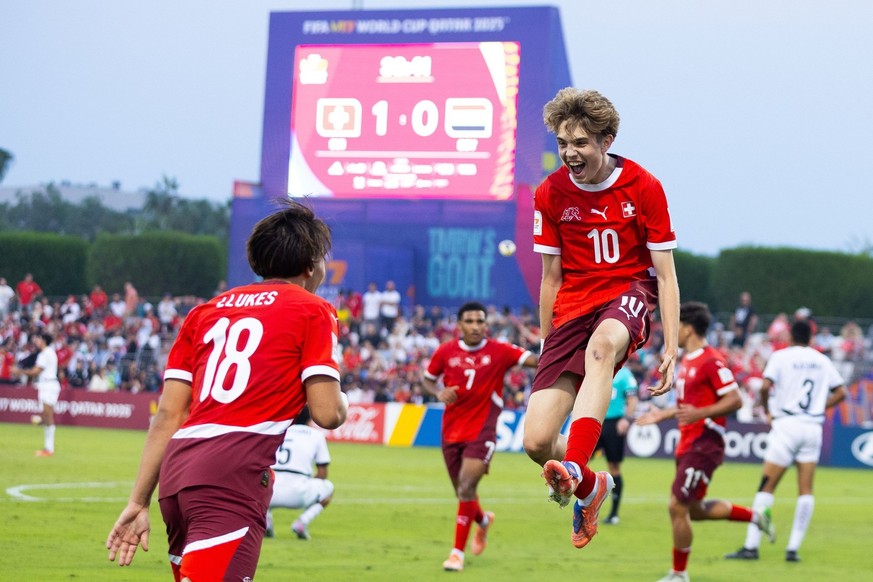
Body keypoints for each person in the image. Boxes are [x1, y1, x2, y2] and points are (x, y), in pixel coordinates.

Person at [106, 201, 348, 581]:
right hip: (232, 476)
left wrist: (138, 501)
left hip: (177, 477)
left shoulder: (205, 312)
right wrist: (341, 394)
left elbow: (168, 416)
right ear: (311, 263)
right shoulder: (314, 309)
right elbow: (328, 413)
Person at [521, 87, 680, 550]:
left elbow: (667, 277)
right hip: (572, 308)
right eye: (563, 144)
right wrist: (547, 340)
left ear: (606, 140)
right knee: (534, 442)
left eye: (581, 143)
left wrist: (670, 348)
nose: (570, 153)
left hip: (627, 295)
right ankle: (591, 487)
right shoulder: (549, 193)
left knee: (602, 348)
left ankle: (573, 468)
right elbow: (551, 277)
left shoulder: (644, 185)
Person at [635, 302, 774, 582]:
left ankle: (679, 574)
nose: (672, 332)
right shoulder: (687, 359)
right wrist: (665, 413)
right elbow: (691, 404)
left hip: (704, 443)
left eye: (676, 327)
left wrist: (700, 414)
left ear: (687, 328)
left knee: (677, 506)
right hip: (688, 442)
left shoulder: (711, 359)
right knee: (694, 511)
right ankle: (756, 516)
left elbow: (734, 399)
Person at [422, 301, 538, 572]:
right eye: (470, 321)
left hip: (482, 430)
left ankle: (456, 555)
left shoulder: (499, 351)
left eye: (480, 321)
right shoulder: (445, 351)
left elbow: (534, 360)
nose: (476, 326)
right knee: (462, 491)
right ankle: (483, 521)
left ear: (486, 325)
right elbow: (427, 379)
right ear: (459, 325)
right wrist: (437, 392)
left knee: (465, 487)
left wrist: (553, 341)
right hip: (451, 429)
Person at [725, 319, 846, 564]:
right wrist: (819, 408)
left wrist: (769, 410)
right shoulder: (822, 360)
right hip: (812, 427)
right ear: (811, 338)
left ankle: (751, 546)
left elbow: (765, 387)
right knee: (806, 490)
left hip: (787, 426)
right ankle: (792, 549)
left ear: (790, 336)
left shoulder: (781, 357)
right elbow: (841, 392)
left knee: (766, 486)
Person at [265, 405, 334, 541]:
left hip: (269, 494)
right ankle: (302, 522)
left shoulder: (276, 429)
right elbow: (322, 474)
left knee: (260, 482)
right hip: (298, 494)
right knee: (328, 488)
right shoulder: (316, 435)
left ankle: (266, 523)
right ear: (310, 417)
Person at [594, 364, 638, 525]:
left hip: (614, 424)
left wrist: (626, 419)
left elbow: (632, 399)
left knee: (614, 468)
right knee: (580, 461)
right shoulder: (599, 368)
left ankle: (613, 513)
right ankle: (587, 503)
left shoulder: (625, 374)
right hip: (594, 420)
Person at [11, 332, 61, 456]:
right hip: (46, 385)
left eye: (38, 339)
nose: (36, 341)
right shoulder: (48, 353)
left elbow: (35, 371)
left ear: (43, 340)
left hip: (48, 385)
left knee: (48, 416)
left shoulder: (46, 353)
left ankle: (49, 449)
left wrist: (19, 371)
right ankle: (48, 448)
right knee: (48, 417)